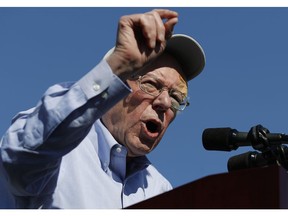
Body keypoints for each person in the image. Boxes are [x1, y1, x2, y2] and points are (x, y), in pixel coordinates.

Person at [0, 9, 205, 209]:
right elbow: (22, 156)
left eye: (176, 97)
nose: (165, 103)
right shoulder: (59, 154)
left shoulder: (161, 190)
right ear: (116, 86)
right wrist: (118, 65)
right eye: (151, 85)